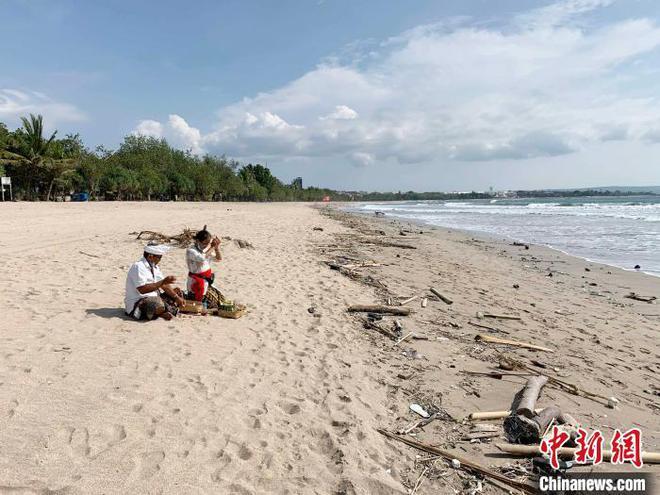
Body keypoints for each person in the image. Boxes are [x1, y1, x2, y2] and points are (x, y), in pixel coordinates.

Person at [125, 243, 185, 321]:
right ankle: (161, 313)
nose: (160, 260)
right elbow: (142, 289)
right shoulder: (138, 267)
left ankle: (165, 310)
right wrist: (162, 282)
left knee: (177, 292)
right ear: (150, 256)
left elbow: (165, 285)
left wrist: (176, 297)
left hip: (155, 296)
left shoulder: (154, 267)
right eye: (159, 257)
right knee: (156, 304)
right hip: (139, 301)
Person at [186, 225, 223, 307]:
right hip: (195, 282)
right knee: (198, 304)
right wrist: (212, 247)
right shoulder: (191, 251)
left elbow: (218, 259)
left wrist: (216, 248)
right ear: (198, 241)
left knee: (219, 301)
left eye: (208, 243)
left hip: (207, 281)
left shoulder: (207, 249)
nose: (206, 245)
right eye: (204, 243)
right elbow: (202, 258)